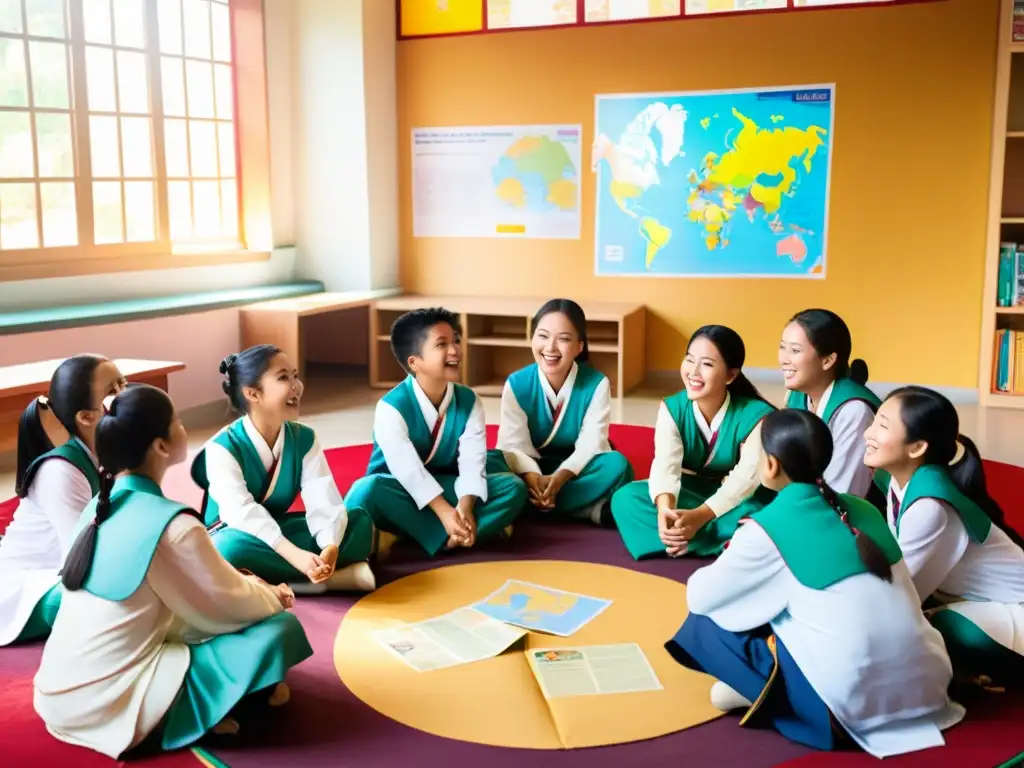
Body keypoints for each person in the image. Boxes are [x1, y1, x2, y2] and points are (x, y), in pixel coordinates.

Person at [33, 384, 312, 758]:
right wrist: (273, 597)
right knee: (279, 629)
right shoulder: (174, 526)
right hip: (110, 704)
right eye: (177, 421)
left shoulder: (99, 508)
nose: (183, 427)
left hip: (56, 696)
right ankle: (182, 716)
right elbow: (228, 602)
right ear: (161, 446)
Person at [666, 409, 964, 758]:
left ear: (772, 465)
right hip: (929, 687)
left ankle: (769, 693)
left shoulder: (766, 528)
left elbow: (700, 597)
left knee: (703, 623)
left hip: (847, 707)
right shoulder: (862, 509)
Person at [864, 386, 1024, 687]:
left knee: (933, 628)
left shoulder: (930, 505)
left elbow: (904, 593)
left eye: (882, 426)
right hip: (967, 599)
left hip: (1012, 608)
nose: (867, 434)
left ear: (917, 448)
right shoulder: (901, 480)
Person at [191, 345, 375, 593]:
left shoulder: (304, 438)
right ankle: (323, 581)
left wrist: (329, 548)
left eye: (295, 376)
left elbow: (322, 499)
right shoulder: (221, 448)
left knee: (359, 522)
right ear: (253, 394)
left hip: (279, 531)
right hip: (237, 534)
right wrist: (296, 556)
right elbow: (240, 512)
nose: (296, 386)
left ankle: (303, 575)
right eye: (283, 378)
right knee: (226, 551)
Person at [345, 307, 527, 556]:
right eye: (442, 344)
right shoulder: (390, 408)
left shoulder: (470, 401)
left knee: (512, 487)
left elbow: (472, 463)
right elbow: (409, 472)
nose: (455, 350)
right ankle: (468, 533)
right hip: (399, 493)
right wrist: (445, 513)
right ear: (414, 362)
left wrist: (465, 507)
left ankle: (417, 539)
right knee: (365, 491)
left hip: (448, 486)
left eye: (456, 341)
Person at [611, 325, 774, 558]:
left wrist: (699, 516)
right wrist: (664, 511)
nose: (693, 372)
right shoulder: (672, 408)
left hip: (740, 499)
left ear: (730, 375)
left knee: (762, 514)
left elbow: (744, 482)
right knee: (626, 498)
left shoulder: (757, 416)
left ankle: (693, 540)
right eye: (689, 360)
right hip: (696, 492)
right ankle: (704, 539)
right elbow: (666, 466)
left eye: (707, 364)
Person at [0, 354, 124, 646]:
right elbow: (84, 558)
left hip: (63, 573)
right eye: (112, 392)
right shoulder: (60, 471)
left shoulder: (112, 455)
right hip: (26, 587)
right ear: (86, 416)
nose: (127, 396)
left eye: (125, 384)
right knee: (98, 604)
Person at [488, 299, 632, 525]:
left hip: (573, 470)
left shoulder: (596, 383)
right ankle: (586, 511)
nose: (551, 348)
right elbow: (513, 444)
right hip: (527, 470)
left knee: (617, 465)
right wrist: (532, 477)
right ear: (532, 338)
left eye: (563, 339)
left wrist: (560, 478)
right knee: (488, 462)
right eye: (543, 336)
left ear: (579, 346)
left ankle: (523, 507)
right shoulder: (517, 383)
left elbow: (591, 444)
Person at [780, 309, 881, 501]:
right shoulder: (797, 394)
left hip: (848, 515)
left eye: (795, 350)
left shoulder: (854, 411)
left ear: (828, 360)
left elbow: (845, 493)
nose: (784, 359)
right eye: (782, 347)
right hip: (808, 498)